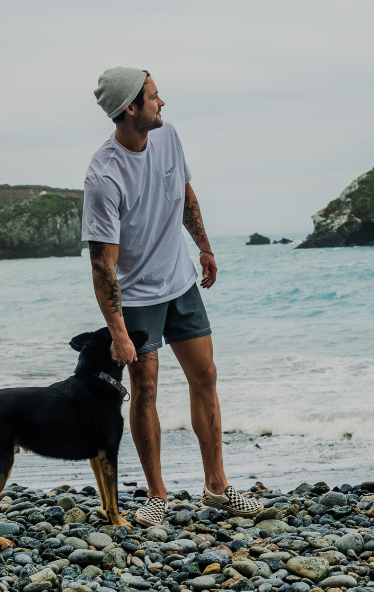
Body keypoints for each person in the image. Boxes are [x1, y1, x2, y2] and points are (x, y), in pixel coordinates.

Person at [83, 67, 262, 526]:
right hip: (138, 295)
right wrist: (119, 333)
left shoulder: (168, 137)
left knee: (206, 376)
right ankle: (157, 496)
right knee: (145, 389)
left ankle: (217, 487)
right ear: (130, 109)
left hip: (181, 282)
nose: (162, 103)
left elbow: (183, 194)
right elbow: (103, 264)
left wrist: (203, 247)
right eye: (154, 97)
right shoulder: (104, 176)